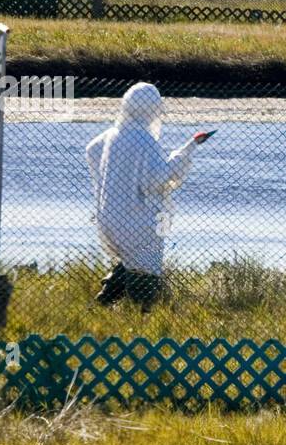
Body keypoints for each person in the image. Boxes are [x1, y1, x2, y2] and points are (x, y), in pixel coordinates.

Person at [85, 82, 210, 310]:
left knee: (131, 258)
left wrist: (107, 182)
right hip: (135, 220)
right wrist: (188, 149)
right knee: (147, 260)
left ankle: (105, 300)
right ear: (152, 110)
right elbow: (159, 179)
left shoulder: (114, 134)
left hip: (109, 216)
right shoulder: (144, 140)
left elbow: (92, 150)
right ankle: (142, 311)